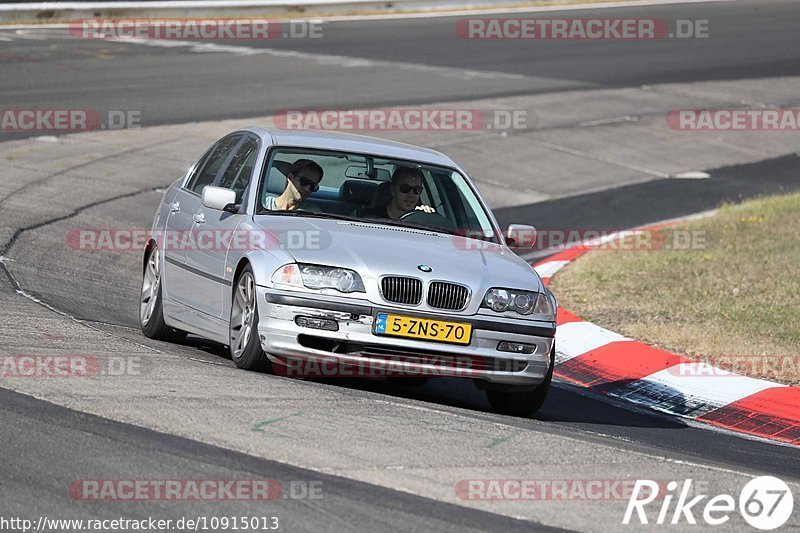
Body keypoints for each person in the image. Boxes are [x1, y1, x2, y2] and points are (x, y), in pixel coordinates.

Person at [365, 166, 434, 219]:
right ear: (393, 190)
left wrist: (427, 216)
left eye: (417, 190)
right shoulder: (370, 217)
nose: (411, 195)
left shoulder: (422, 220)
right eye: (405, 188)